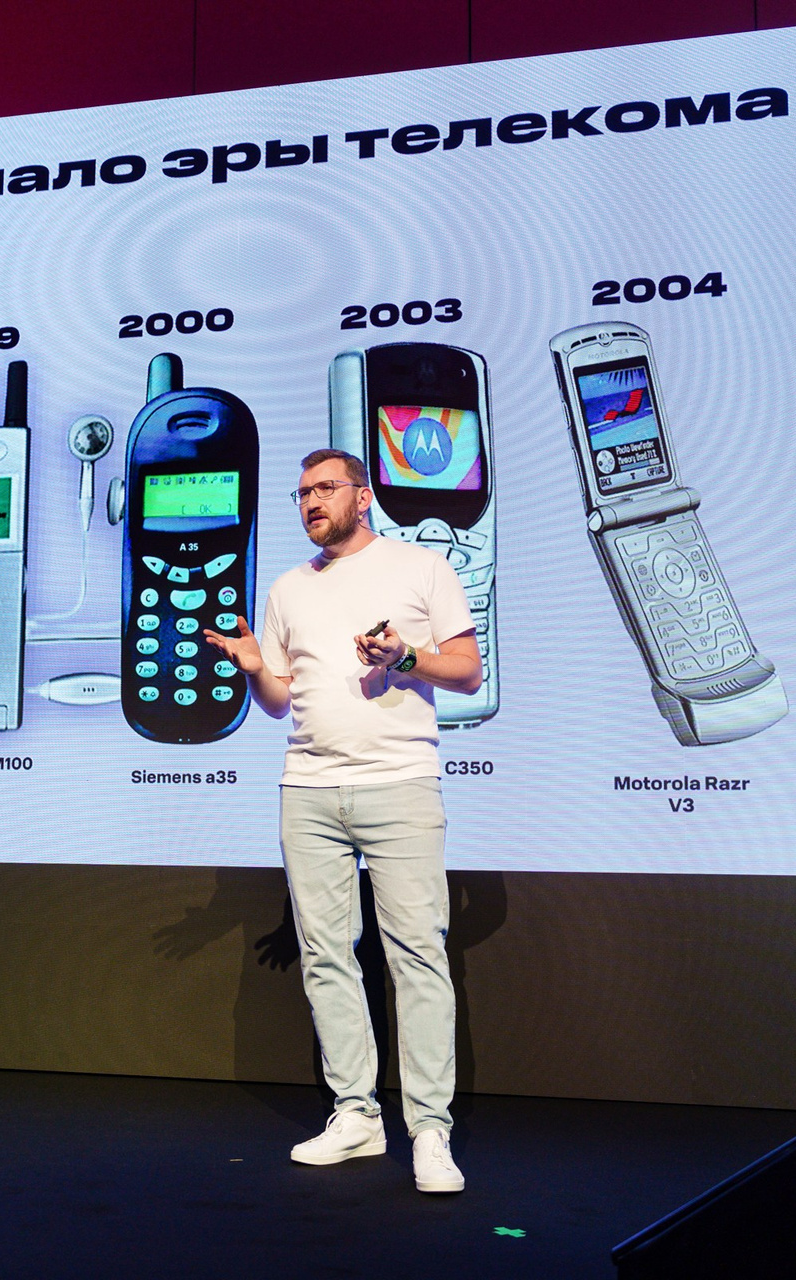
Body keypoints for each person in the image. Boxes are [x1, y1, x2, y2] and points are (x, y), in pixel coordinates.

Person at [203, 448, 481, 1195]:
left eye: (324, 489)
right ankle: (356, 1115)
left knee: (417, 957)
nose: (310, 503)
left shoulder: (421, 568)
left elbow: (468, 670)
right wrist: (256, 668)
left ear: (362, 497)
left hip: (400, 785)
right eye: (301, 494)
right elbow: (278, 701)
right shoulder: (288, 587)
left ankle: (430, 1131)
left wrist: (405, 657)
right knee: (326, 957)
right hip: (309, 790)